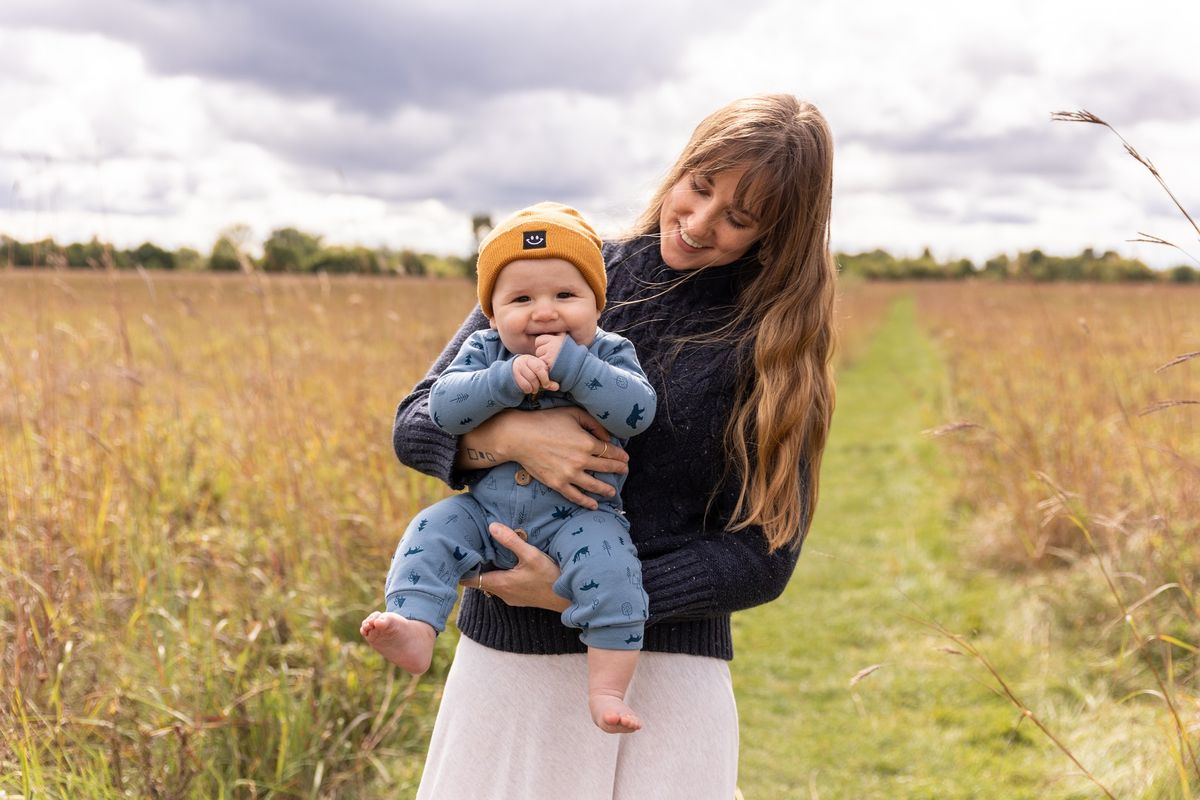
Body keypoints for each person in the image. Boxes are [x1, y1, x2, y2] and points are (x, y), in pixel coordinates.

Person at [392, 93, 837, 799]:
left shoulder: (777, 345)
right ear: (681, 168)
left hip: (669, 676)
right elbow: (416, 421)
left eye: (738, 218)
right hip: (511, 664)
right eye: (699, 187)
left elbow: (765, 555)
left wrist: (581, 593)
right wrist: (508, 437)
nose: (698, 222)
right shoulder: (558, 267)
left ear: (776, 233)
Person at [362, 202, 656, 734]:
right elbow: (442, 409)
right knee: (429, 531)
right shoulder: (483, 350)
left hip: (581, 518)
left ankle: (608, 687)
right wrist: (500, 381)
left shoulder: (611, 351)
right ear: (493, 315)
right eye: (522, 299)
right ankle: (415, 626)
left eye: (565, 295)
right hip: (486, 512)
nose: (544, 311)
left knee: (614, 571)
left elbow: (637, 412)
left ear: (596, 304)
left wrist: (576, 367)